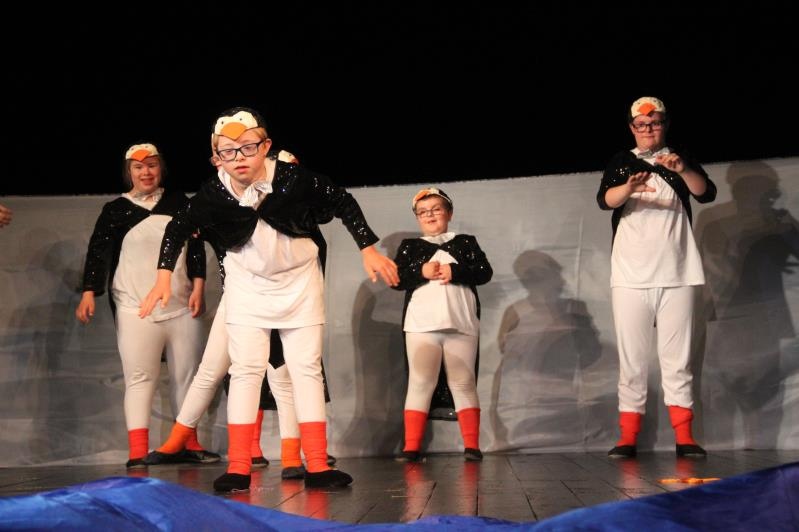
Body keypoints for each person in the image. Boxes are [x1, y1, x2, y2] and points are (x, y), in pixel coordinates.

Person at [139, 107, 398, 493]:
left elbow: (341, 201)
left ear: (266, 146)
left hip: (299, 283)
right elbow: (178, 227)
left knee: (305, 369)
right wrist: (163, 276)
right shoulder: (213, 194)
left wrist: (368, 248)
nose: (239, 158)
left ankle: (316, 463)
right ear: (216, 157)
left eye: (248, 147)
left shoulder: (293, 179)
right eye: (228, 151)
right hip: (247, 287)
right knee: (245, 371)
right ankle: (239, 466)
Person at [76, 142, 217, 468]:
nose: (146, 172)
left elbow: (195, 246)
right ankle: (138, 452)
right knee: (140, 377)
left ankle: (188, 443)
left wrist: (199, 285)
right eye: (139, 167)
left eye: (152, 165)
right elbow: (98, 251)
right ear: (129, 172)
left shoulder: (179, 203)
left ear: (161, 168)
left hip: (181, 305)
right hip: (135, 307)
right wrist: (89, 291)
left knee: (188, 376)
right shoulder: (116, 210)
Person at [597, 96, 717, 458]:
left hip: (678, 272)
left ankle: (684, 436)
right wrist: (629, 187)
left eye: (655, 123)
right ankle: (628, 437)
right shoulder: (623, 161)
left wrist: (682, 169)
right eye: (641, 124)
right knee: (632, 360)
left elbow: (705, 192)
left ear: (665, 125)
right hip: (631, 274)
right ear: (632, 128)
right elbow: (605, 200)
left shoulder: (679, 158)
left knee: (677, 359)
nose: (648, 129)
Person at [391, 187, 492, 462]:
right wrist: (420, 271)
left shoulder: (465, 243)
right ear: (417, 218)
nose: (430, 215)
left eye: (436, 209)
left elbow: (484, 272)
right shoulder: (411, 247)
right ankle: (412, 447)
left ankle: (472, 446)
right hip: (421, 325)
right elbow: (397, 279)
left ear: (449, 213)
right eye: (423, 212)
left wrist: (455, 270)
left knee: (463, 381)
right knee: (420, 382)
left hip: (460, 322)